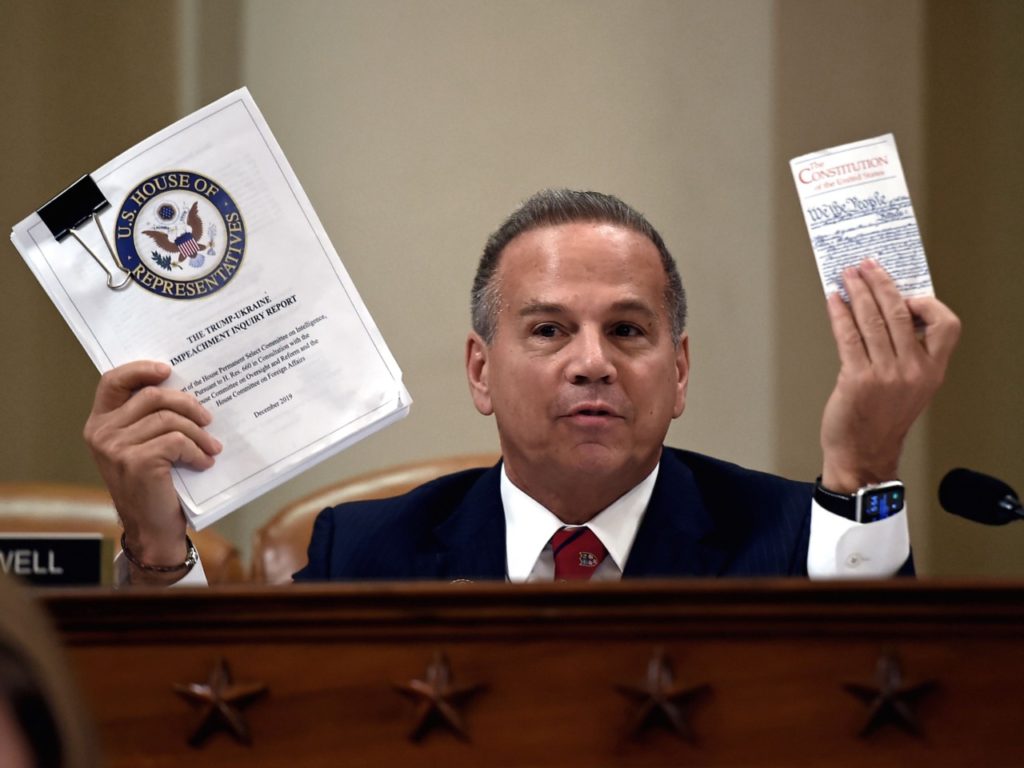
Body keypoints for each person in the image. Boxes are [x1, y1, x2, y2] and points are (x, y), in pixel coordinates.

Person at [84, 190, 960, 585]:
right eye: (547, 330)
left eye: (627, 331)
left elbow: (873, 717)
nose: (592, 362)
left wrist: (864, 463)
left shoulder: (790, 538)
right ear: (480, 372)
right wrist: (158, 545)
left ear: (679, 372)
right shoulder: (367, 552)